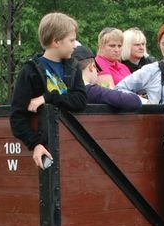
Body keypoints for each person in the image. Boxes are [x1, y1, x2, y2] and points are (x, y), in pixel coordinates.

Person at [10, 12, 87, 169]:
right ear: (56, 41)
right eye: (71, 40)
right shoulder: (30, 71)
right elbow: (17, 118)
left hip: (75, 146)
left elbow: (80, 100)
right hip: (46, 149)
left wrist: (47, 98)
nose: (75, 45)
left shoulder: (73, 67)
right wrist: (35, 144)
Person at [73, 45, 142, 110]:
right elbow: (135, 101)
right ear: (92, 67)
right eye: (97, 69)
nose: (97, 73)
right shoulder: (94, 92)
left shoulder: (64, 90)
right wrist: (112, 91)